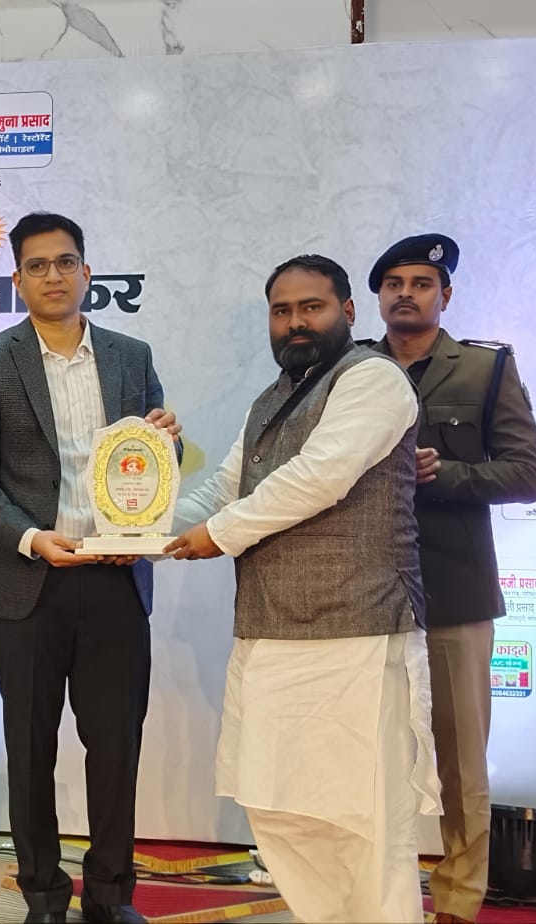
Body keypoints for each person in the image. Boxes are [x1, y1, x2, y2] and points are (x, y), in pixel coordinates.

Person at [165, 253, 439, 924]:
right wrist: (139, 531)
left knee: (362, 822)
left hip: (356, 633)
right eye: (281, 311)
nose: (295, 322)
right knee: (279, 808)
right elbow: (224, 487)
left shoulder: (373, 379)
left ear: (347, 311)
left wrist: (218, 535)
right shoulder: (271, 399)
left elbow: (318, 476)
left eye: (310, 307)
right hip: (270, 631)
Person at [0, 212, 180, 924]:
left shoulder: (131, 356)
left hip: (115, 578)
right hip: (26, 581)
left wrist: (169, 441)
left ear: (87, 271)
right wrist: (29, 536)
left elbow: (153, 461)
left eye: (66, 262)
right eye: (38, 265)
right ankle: (44, 896)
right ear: (17, 279)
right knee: (29, 748)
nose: (54, 275)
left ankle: (110, 895)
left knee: (116, 747)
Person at [362, 233, 536, 924]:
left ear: (446, 294)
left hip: (455, 590)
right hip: (362, 592)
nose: (405, 294)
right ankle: (375, 893)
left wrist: (448, 475)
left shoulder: (485, 369)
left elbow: (528, 475)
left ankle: (458, 902)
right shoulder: (352, 368)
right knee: (366, 755)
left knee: (461, 762)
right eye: (394, 284)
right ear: (378, 297)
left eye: (420, 283)